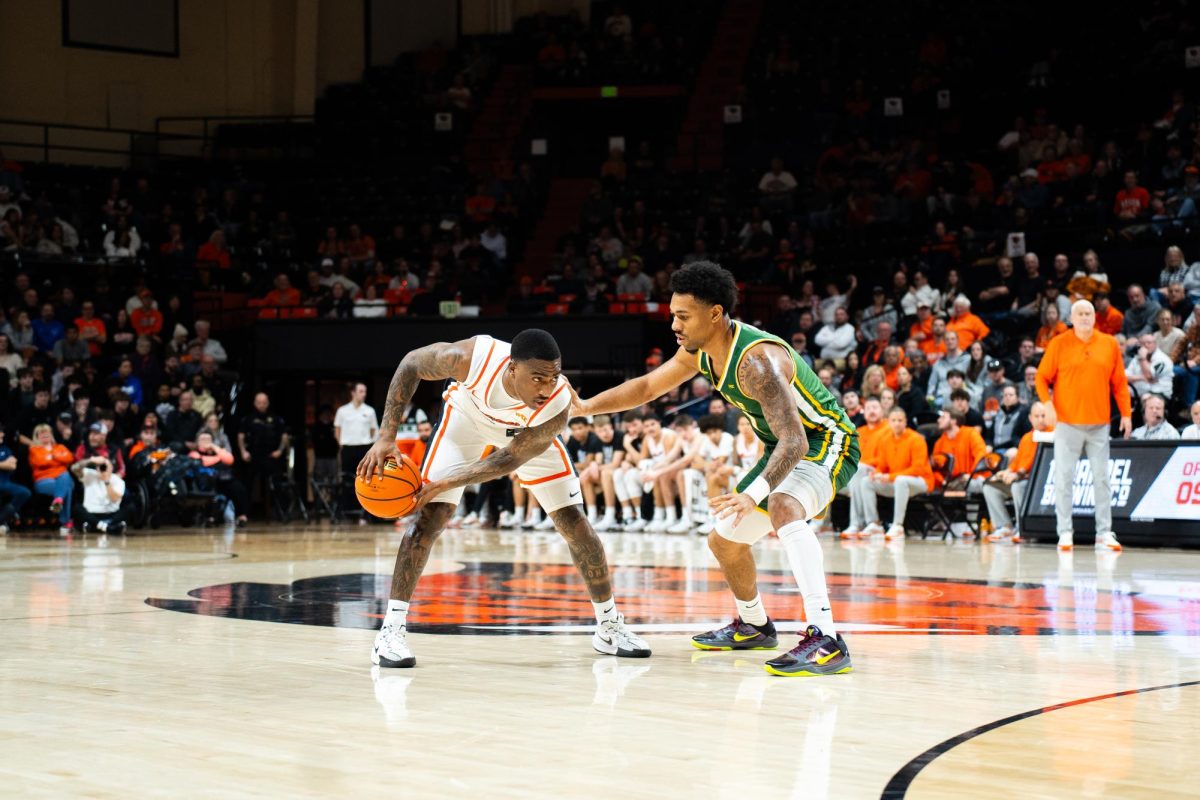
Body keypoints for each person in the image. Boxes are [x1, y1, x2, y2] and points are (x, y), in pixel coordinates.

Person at [570, 261, 859, 677]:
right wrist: (586, 406)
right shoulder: (699, 354)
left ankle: (828, 639)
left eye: (682, 316)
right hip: (784, 447)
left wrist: (752, 493)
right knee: (724, 542)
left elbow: (796, 441)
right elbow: (647, 387)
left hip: (828, 441)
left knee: (781, 503)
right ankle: (755, 625)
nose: (674, 324)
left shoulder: (756, 362)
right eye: (673, 315)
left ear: (715, 314)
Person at [356, 329, 650, 668]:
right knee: (430, 519)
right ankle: (390, 631)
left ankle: (610, 626)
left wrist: (448, 481)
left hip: (522, 439)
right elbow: (410, 364)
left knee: (576, 525)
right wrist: (385, 437)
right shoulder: (471, 358)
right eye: (537, 378)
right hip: (465, 421)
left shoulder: (556, 404)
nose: (546, 387)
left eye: (553, 377)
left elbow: (509, 460)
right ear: (512, 369)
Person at [1036, 300, 1131, 552]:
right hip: (1068, 424)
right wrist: (1047, 404)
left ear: (1094, 317)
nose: (1085, 317)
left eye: (1089, 313)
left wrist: (1126, 413)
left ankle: (1104, 533)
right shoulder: (1059, 343)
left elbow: (1120, 382)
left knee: (1102, 480)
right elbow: (1041, 378)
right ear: (1072, 317)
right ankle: (1065, 532)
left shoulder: (1109, 343)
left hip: (1099, 424)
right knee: (1064, 479)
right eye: (1080, 313)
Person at [855, 408, 935, 541]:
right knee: (866, 482)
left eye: (900, 420)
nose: (897, 423)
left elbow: (918, 469)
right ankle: (874, 524)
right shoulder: (886, 439)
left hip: (922, 481)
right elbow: (883, 464)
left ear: (905, 422)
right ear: (889, 422)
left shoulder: (916, 439)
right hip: (897, 482)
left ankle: (898, 525)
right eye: (893, 420)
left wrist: (890, 477)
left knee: (900, 480)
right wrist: (877, 473)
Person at [983, 401, 1055, 543]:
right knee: (990, 487)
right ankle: (1004, 526)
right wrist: (1006, 471)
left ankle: (1022, 528)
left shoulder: (1052, 435)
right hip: (1019, 477)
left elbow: (1035, 463)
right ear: (1030, 418)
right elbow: (1017, 461)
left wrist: (1016, 474)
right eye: (1037, 416)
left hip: (1036, 483)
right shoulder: (1026, 437)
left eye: (1043, 416)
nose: (1041, 419)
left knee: (1018, 487)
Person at [237, 392, 290, 520]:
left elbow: (284, 436)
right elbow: (241, 436)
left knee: (278, 484)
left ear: (268, 403)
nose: (262, 405)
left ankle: (282, 513)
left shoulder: (276, 419)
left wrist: (280, 450)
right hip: (253, 455)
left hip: (271, 455)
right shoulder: (248, 419)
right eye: (259, 402)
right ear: (255, 403)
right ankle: (244, 514)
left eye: (264, 402)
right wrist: (243, 451)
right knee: (247, 485)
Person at [334, 382, 378, 522]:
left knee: (365, 480)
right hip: (347, 448)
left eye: (364, 391)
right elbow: (337, 430)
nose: (363, 394)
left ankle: (364, 514)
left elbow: (374, 430)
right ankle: (348, 513)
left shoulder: (369, 411)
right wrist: (341, 443)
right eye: (360, 391)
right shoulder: (342, 411)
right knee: (347, 481)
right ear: (353, 392)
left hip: (364, 449)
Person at [190, 430, 250, 526]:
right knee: (210, 491)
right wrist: (218, 458)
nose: (206, 442)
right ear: (197, 442)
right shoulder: (194, 453)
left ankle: (241, 516)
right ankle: (211, 518)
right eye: (203, 439)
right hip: (206, 481)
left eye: (208, 439)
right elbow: (202, 462)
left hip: (225, 479)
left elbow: (230, 460)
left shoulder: (218, 450)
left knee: (239, 488)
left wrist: (215, 448)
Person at [28, 423, 75, 534]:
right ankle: (65, 522)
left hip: (61, 478)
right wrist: (58, 458)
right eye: (42, 433)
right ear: (37, 436)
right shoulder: (34, 449)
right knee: (66, 486)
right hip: (43, 481)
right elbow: (40, 462)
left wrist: (52, 455)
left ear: (51, 434)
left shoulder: (60, 447)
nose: (45, 435)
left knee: (65, 476)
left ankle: (58, 501)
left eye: (47, 432)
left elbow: (69, 458)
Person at [70, 451, 127, 533]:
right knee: (77, 508)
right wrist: (91, 460)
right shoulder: (89, 474)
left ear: (111, 468)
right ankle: (107, 527)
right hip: (92, 514)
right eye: (101, 466)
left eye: (105, 466)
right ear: (97, 468)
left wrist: (106, 481)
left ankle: (98, 526)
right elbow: (74, 468)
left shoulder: (118, 480)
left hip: (111, 514)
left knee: (130, 507)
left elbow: (114, 498)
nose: (103, 469)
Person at [0, 427, 31, 533]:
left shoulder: (5, 449)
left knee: (24, 492)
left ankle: (2, 519)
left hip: (5, 482)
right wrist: (4, 464)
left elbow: (12, 465)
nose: (2, 434)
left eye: (2, 432)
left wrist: (4, 465)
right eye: (0, 432)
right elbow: (8, 464)